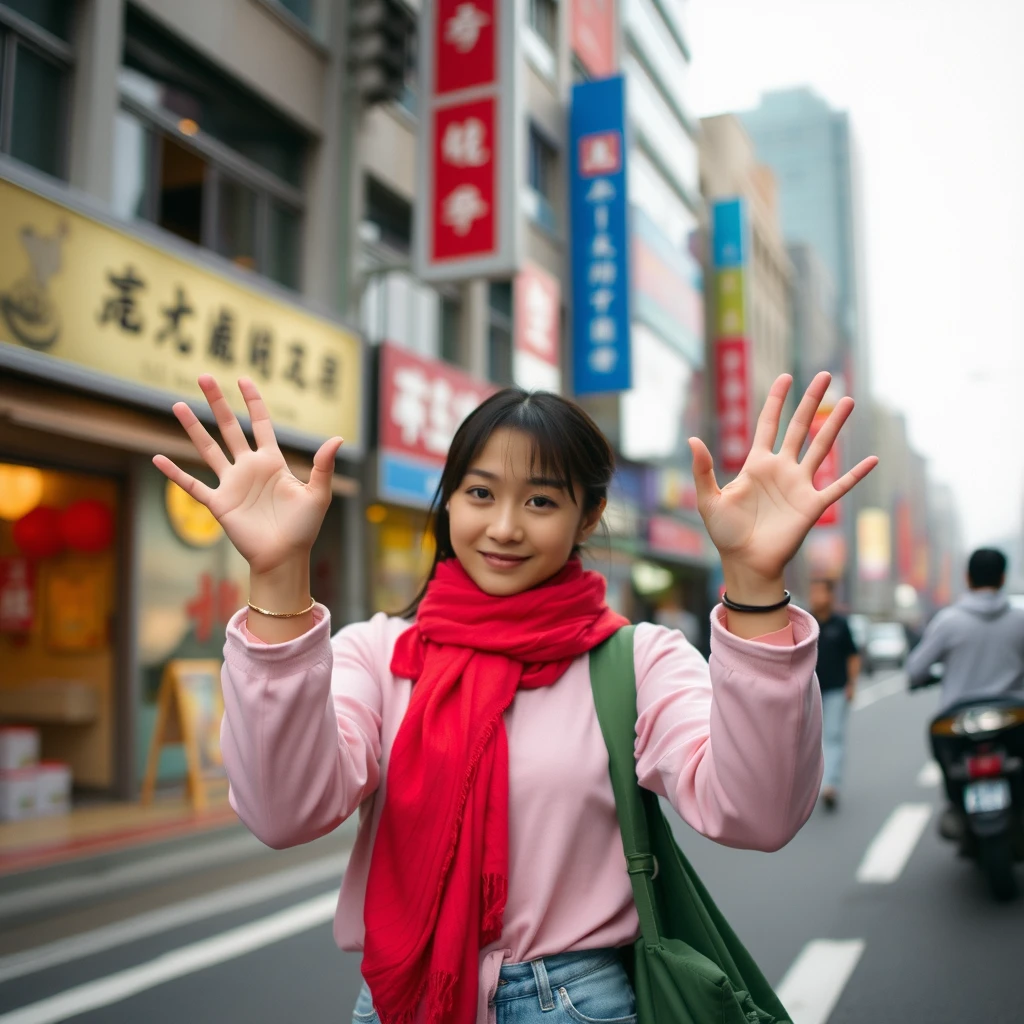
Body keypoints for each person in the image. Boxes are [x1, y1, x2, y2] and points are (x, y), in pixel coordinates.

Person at [153, 370, 875, 1024]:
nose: (503, 526)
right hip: (398, 1001)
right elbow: (285, 813)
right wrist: (279, 576)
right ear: (448, 502)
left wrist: (753, 586)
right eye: (479, 493)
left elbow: (760, 813)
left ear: (587, 518)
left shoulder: (635, 660)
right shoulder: (378, 656)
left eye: (539, 500)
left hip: (575, 1005)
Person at [906, 548, 1024, 712]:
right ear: (1003, 578)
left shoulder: (948, 621)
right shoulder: (1020, 620)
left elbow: (915, 670)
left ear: (967, 578)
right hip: (1013, 717)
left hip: (957, 719)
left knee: (938, 732)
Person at [808, 579, 861, 811]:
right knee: (808, 741)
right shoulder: (805, 623)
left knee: (832, 736)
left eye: (821, 592)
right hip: (808, 692)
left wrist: (851, 683)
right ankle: (809, 787)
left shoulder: (841, 624)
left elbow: (853, 655)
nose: (817, 597)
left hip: (836, 690)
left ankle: (830, 785)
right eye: (814, 592)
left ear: (831, 596)